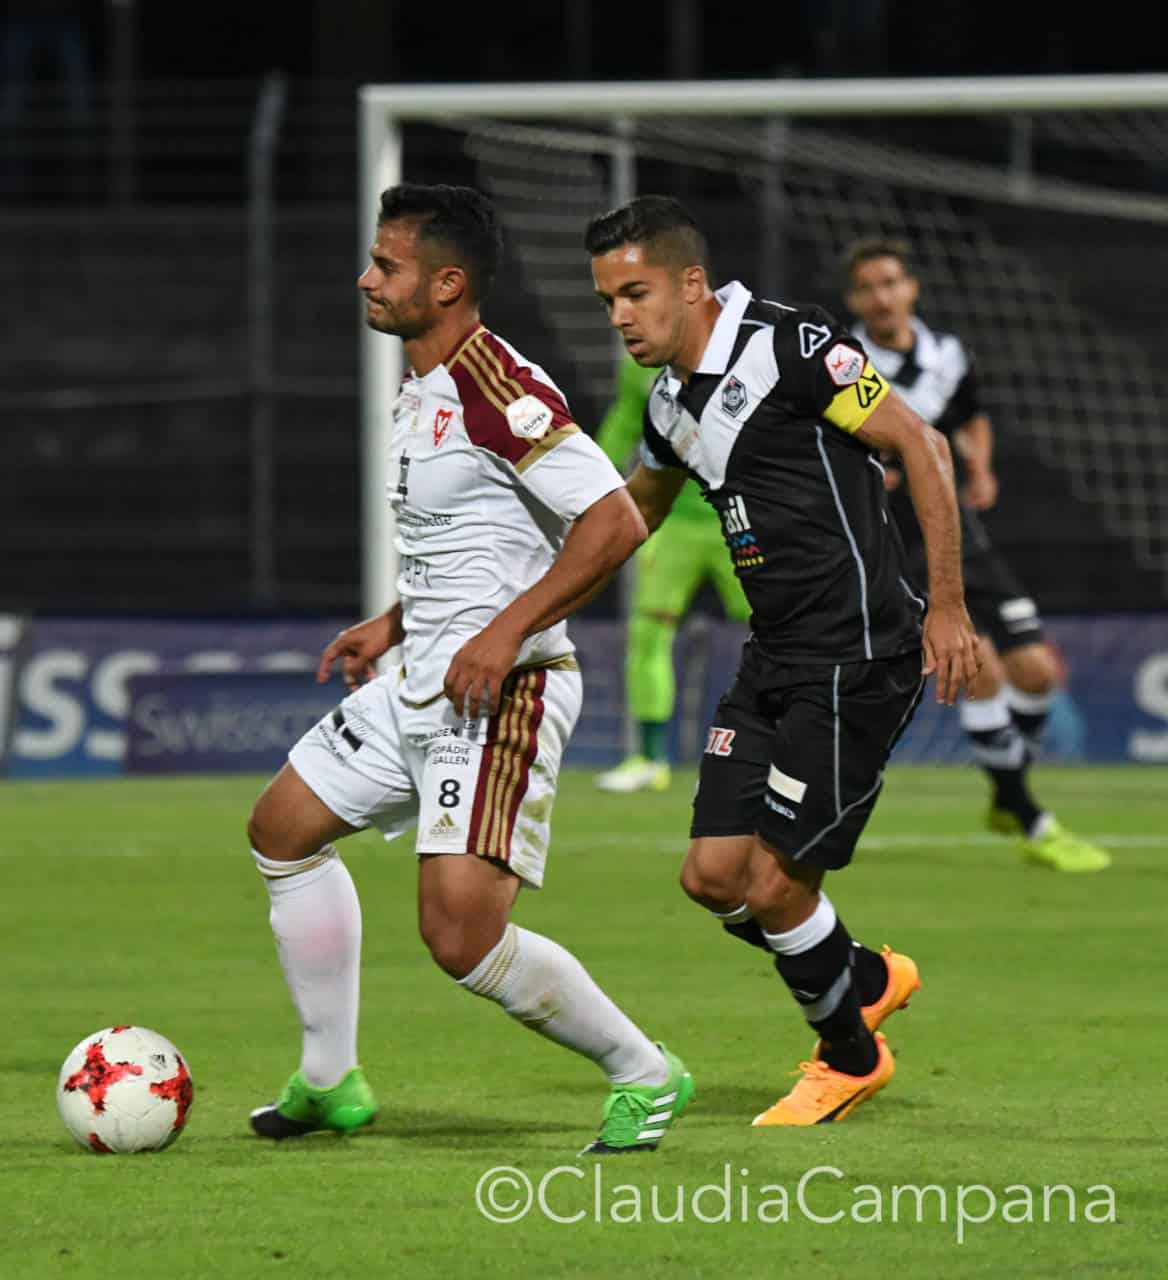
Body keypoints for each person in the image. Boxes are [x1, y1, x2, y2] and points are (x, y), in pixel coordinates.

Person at [247, 184, 693, 1155]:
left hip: (504, 690)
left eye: (387, 265)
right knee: (282, 830)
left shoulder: (499, 387)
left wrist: (500, 635)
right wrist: (395, 622)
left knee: (459, 937)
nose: (367, 279)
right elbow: (483, 543)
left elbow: (613, 521)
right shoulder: (423, 387)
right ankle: (329, 1081)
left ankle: (643, 1070)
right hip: (424, 678)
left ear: (446, 284)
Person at [586, 195, 981, 1126]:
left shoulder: (790, 347)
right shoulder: (669, 403)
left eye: (635, 294)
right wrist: (528, 607)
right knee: (713, 879)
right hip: (774, 657)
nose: (620, 318)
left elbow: (920, 444)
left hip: (858, 655)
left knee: (774, 886)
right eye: (607, 302)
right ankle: (864, 978)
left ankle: (850, 1055)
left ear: (691, 283)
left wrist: (948, 606)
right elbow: (636, 511)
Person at [843, 238, 1110, 873]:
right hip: (895, 540)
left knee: (1037, 672)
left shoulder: (946, 355)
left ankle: (1006, 790)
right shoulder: (845, 362)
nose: (881, 297)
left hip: (957, 529)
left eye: (890, 283)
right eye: (868, 287)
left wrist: (981, 465)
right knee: (978, 667)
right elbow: (824, 437)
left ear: (912, 289)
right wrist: (865, 468)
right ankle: (1029, 816)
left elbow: (972, 416)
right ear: (854, 300)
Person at [593, 354, 751, 793]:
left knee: (780, 632)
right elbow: (623, 424)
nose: (626, 322)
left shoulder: (736, 350)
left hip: (735, 512)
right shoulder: (638, 368)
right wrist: (587, 481)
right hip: (672, 523)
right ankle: (649, 758)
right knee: (648, 634)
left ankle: (785, 745)